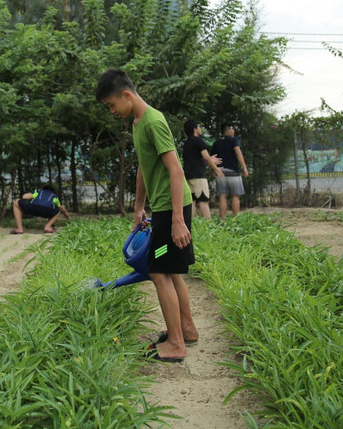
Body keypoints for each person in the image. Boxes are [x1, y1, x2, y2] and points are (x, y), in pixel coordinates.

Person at [95, 68, 198, 362]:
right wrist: (139, 207)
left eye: (112, 105)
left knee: (158, 272)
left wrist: (178, 219)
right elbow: (145, 168)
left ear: (126, 95)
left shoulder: (153, 121)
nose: (112, 111)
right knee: (168, 269)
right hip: (162, 207)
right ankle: (187, 330)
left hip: (172, 208)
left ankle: (176, 343)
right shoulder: (139, 123)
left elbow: (175, 170)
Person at [182, 120, 224, 219]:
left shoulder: (187, 143)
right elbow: (205, 157)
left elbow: (195, 159)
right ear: (195, 129)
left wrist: (210, 159)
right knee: (203, 200)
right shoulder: (198, 140)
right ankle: (208, 224)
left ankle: (191, 224)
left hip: (188, 176)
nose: (200, 129)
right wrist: (216, 169)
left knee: (191, 201)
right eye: (199, 126)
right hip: (199, 176)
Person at [210, 124, 249, 218]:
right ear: (227, 131)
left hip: (220, 172)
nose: (233, 131)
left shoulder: (216, 143)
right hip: (233, 173)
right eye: (232, 129)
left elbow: (212, 159)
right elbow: (238, 152)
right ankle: (235, 219)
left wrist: (212, 170)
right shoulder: (234, 140)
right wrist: (244, 167)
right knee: (235, 196)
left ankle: (222, 218)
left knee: (222, 196)